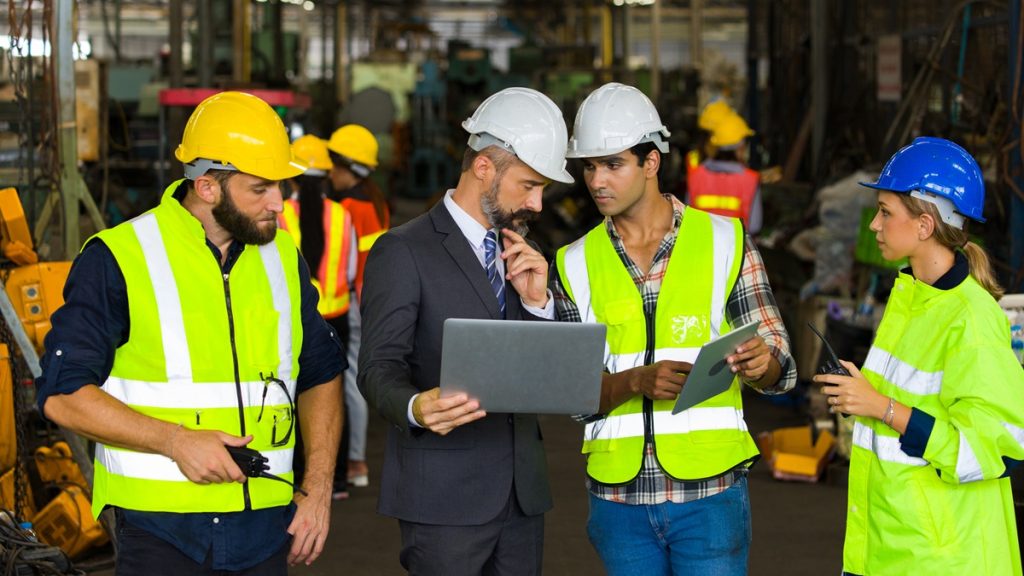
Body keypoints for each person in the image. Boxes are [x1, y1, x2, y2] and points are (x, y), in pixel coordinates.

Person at [35, 91, 343, 575]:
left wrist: (318, 487)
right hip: (161, 532)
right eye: (261, 188)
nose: (279, 204)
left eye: (280, 186)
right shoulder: (119, 257)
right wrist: (175, 441)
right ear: (207, 187)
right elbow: (61, 394)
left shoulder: (282, 256)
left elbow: (321, 373)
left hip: (266, 527)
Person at [552, 82, 796, 576]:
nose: (597, 181)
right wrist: (634, 382)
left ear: (651, 162)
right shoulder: (573, 263)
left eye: (613, 164)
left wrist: (762, 363)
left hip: (710, 495)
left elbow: (781, 367)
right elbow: (573, 396)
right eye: (590, 166)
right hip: (619, 502)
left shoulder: (727, 242)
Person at [358, 86, 574, 575]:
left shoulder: (524, 254)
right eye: (529, 185)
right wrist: (416, 407)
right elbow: (377, 367)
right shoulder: (403, 251)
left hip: (521, 499)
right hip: (443, 499)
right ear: (484, 168)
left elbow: (539, 378)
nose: (538, 203)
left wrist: (538, 305)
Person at [814, 137, 1024, 576]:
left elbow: (995, 450)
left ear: (925, 224)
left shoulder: (972, 318)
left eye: (885, 212)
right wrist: (864, 393)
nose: (875, 225)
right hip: (894, 544)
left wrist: (881, 407)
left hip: (943, 557)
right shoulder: (910, 296)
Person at [279, 134, 357, 499]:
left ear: (291, 178)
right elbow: (351, 270)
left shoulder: (279, 214)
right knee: (333, 398)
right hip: (337, 315)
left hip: (296, 318)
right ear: (326, 176)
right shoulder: (343, 215)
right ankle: (338, 480)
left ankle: (298, 476)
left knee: (294, 396)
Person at [325, 124, 389, 489]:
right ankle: (356, 460)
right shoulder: (374, 200)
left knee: (350, 380)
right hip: (372, 297)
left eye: (334, 164)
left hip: (356, 301)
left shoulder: (348, 207)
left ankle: (355, 461)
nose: (330, 172)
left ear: (348, 167)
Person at [687, 112, 763, 233]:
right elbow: (754, 225)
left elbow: (687, 218)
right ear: (741, 146)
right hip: (735, 244)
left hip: (700, 242)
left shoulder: (695, 176)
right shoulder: (751, 179)